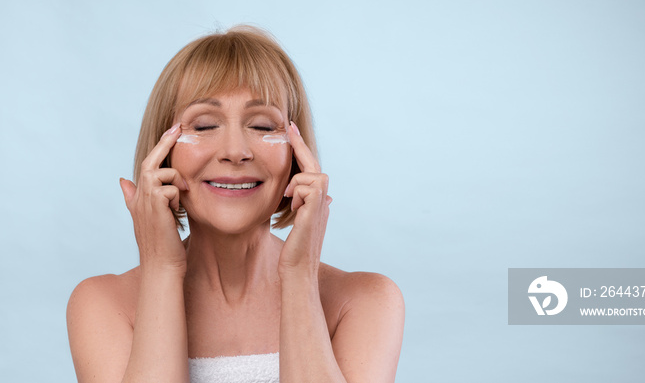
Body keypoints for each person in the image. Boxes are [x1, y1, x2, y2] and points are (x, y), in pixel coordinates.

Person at [66, 25, 404, 383]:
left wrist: (299, 277)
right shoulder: (103, 305)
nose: (235, 151)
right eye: (205, 125)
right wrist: (162, 270)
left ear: (296, 155)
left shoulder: (365, 302)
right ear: (162, 155)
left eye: (261, 126)